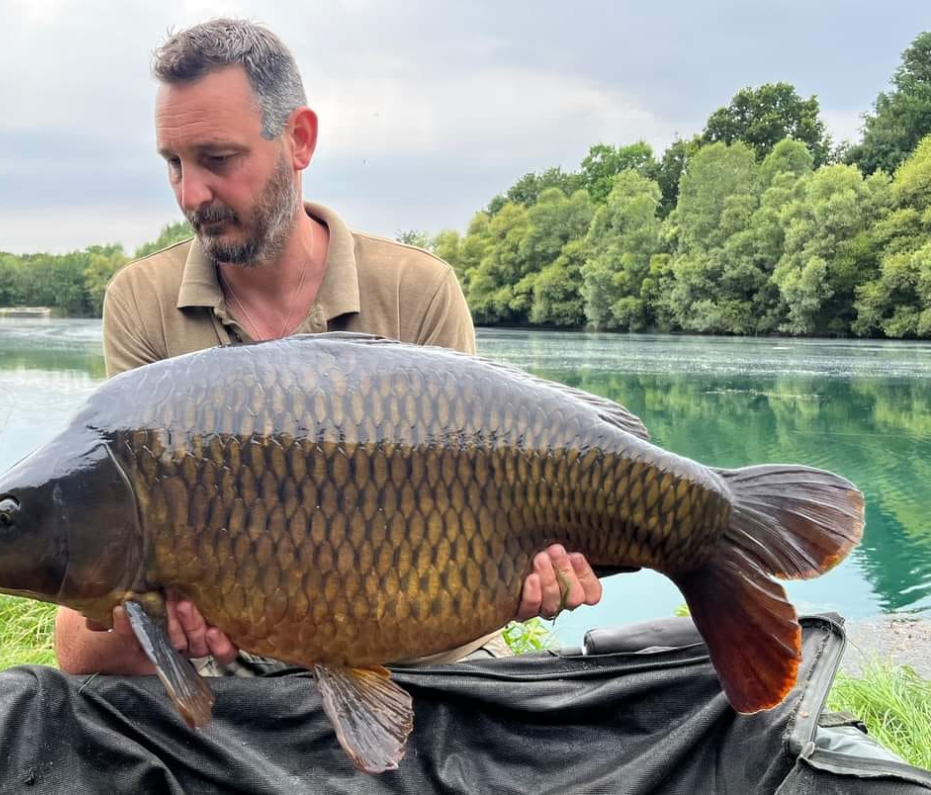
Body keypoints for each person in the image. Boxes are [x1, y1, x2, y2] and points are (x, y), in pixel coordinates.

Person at [52, 17, 602, 678]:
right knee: (81, 658)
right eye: (174, 164)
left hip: (433, 656)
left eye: (218, 160)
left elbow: (482, 517)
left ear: (300, 139)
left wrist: (527, 581)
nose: (192, 195)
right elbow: (134, 537)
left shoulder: (418, 290)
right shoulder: (141, 300)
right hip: (250, 660)